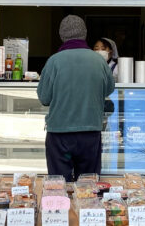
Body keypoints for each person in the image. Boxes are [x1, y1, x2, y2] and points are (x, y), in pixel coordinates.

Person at [37, 15, 116, 181]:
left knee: (59, 186)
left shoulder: (54, 61)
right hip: (90, 132)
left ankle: (62, 207)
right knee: (88, 187)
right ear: (84, 34)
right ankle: (86, 207)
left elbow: (44, 98)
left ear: (61, 36)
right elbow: (109, 89)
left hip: (60, 134)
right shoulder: (99, 61)